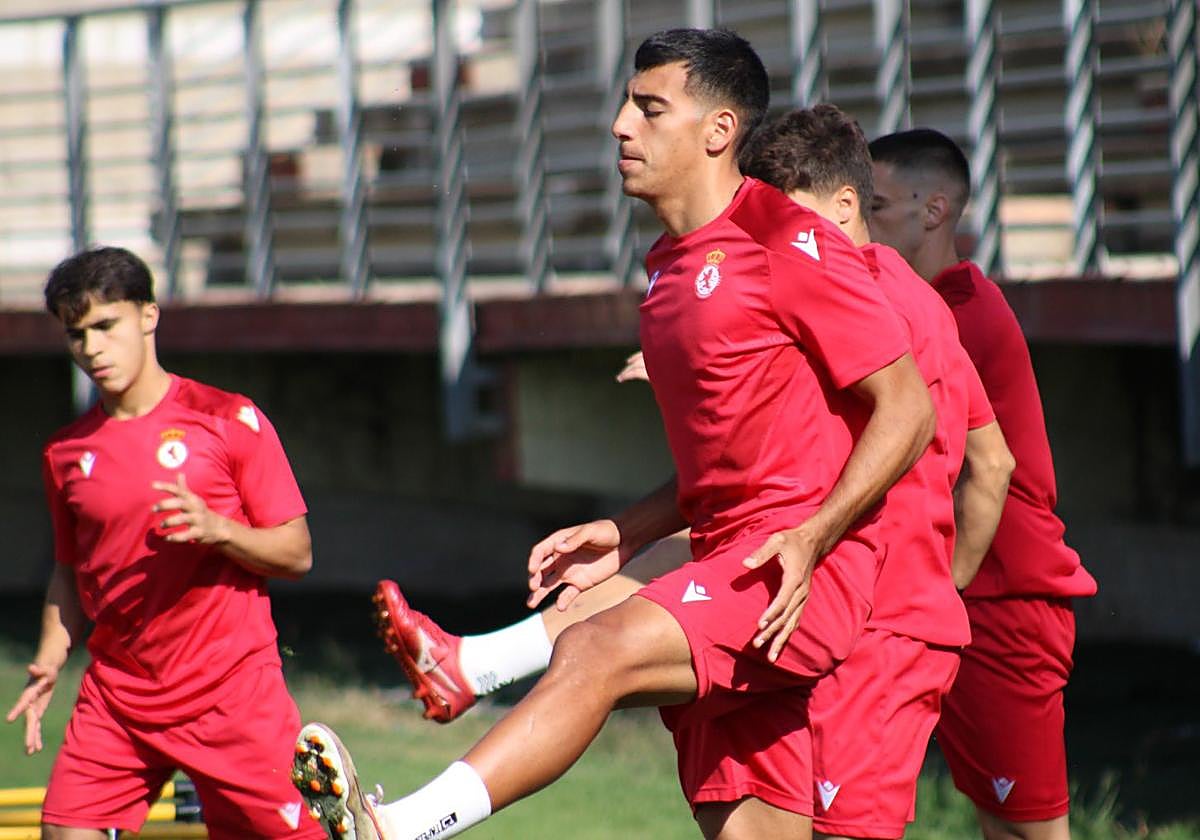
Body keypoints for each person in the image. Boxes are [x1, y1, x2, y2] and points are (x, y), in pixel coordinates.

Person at [293, 29, 935, 840]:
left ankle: (402, 826)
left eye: (649, 106)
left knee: (593, 648)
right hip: (730, 560)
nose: (620, 124)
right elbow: (727, 463)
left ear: (718, 131)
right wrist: (623, 532)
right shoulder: (669, 267)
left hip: (795, 574)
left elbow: (909, 411)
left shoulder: (787, 239)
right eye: (628, 102)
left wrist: (812, 537)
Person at [9, 246, 326, 840]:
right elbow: (70, 570)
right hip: (119, 696)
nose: (92, 349)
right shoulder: (64, 453)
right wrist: (51, 659)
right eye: (77, 335)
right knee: (63, 831)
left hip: (230, 693)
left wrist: (218, 530)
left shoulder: (228, 419)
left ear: (149, 315)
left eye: (107, 326)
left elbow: (298, 552)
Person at [867, 128, 1099, 840]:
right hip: (969, 595)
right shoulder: (921, 307)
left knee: (1032, 831)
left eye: (875, 205)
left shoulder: (961, 313)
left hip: (1004, 601)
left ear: (933, 211)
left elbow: (987, 467)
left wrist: (946, 594)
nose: (859, 221)